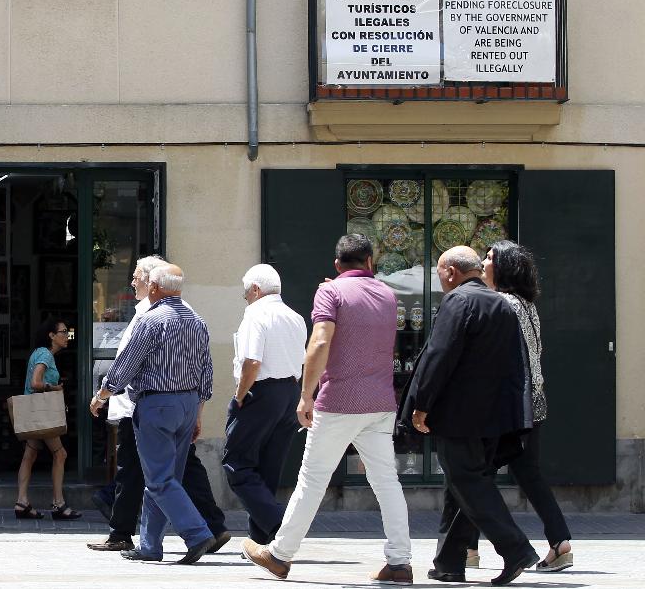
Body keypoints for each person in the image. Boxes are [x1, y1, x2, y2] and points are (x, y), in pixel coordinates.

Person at [241, 235, 411, 583]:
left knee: (312, 479)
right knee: (386, 482)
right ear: (370, 262)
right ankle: (400, 561)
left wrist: (306, 394)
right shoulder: (389, 295)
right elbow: (362, 313)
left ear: (337, 265)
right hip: (380, 401)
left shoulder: (330, 292)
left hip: (339, 400)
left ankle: (279, 554)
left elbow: (320, 341)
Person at [404, 246, 538, 585]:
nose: (440, 279)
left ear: (451, 272)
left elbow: (439, 355)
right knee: (464, 487)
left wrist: (421, 404)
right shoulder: (502, 305)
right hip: (494, 416)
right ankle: (449, 563)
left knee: (467, 483)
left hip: (460, 415)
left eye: (439, 273)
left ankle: (516, 548)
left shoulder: (458, 301)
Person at [88, 255, 231, 555]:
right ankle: (150, 546)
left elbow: (127, 364)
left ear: (154, 287)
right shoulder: (197, 320)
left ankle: (197, 533)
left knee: (159, 479)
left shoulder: (150, 319)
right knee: (166, 477)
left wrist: (102, 395)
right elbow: (207, 372)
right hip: (189, 403)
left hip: (158, 405)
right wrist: (199, 413)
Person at [460, 241, 572, 573]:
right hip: (532, 401)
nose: (483, 262)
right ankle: (559, 542)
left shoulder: (503, 304)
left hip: (509, 406)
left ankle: (468, 549)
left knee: (471, 475)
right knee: (524, 474)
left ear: (505, 267)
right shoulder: (525, 304)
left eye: (491, 258)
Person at [222, 264, 307, 547]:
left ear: (256, 290)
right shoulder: (295, 317)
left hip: (260, 392)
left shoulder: (255, 315)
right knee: (269, 469)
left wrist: (239, 395)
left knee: (237, 465)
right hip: (290, 391)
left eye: (246, 293)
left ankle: (279, 525)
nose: (245, 299)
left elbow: (252, 362)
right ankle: (262, 539)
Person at [14, 319, 80, 520]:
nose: (67, 336)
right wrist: (55, 388)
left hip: (35, 413)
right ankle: (58, 504)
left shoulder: (39, 353)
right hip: (43, 414)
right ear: (51, 335)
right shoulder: (45, 354)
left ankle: (21, 502)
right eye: (63, 332)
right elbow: (36, 383)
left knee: (30, 455)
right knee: (60, 454)